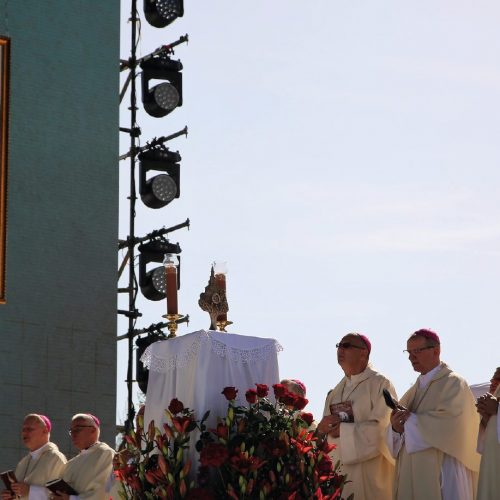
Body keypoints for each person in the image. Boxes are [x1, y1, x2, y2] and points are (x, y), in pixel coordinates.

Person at [388, 329, 481, 500]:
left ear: (436, 351)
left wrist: (410, 420)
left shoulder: (453, 383)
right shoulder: (413, 391)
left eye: (417, 351)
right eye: (409, 352)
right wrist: (395, 427)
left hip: (444, 469)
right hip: (411, 469)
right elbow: (397, 437)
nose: (411, 357)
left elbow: (451, 425)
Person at [317, 333, 397, 500]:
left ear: (363, 353)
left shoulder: (380, 383)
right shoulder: (335, 392)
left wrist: (343, 430)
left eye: (346, 346)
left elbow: (383, 429)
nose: (340, 349)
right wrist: (321, 430)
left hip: (368, 472)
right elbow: (324, 432)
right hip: (338, 471)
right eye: (339, 345)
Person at [0, 414, 66, 500]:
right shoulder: (23, 462)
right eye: (23, 430)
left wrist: (30, 491)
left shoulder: (55, 458)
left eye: (29, 429)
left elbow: (61, 496)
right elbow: (20, 495)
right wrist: (12, 495)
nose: (24, 433)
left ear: (45, 431)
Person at [52, 414, 114, 500]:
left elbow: (103, 491)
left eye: (77, 429)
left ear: (93, 430)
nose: (73, 434)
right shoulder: (71, 463)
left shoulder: (105, 454)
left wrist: (71, 498)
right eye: (71, 431)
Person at [476, 366, 500, 500]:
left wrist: (497, 409)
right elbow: (482, 448)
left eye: (498, 379)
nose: (492, 381)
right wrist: (486, 419)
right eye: (493, 378)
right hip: (491, 464)